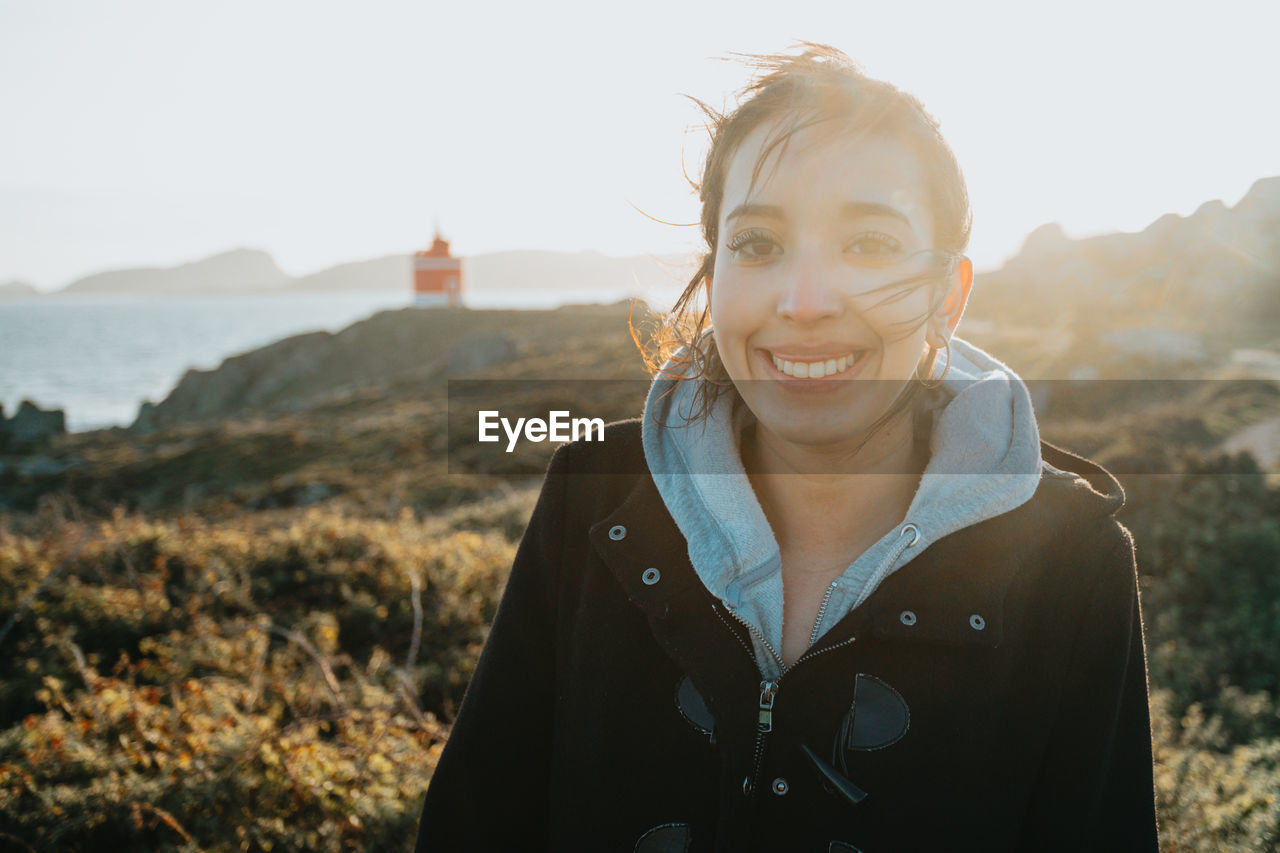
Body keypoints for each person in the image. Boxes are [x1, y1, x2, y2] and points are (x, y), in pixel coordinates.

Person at [415, 44, 1159, 851]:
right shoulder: (594, 491)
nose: (804, 303)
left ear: (948, 294)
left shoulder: (1073, 562)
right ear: (715, 274)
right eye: (759, 245)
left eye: (870, 243)